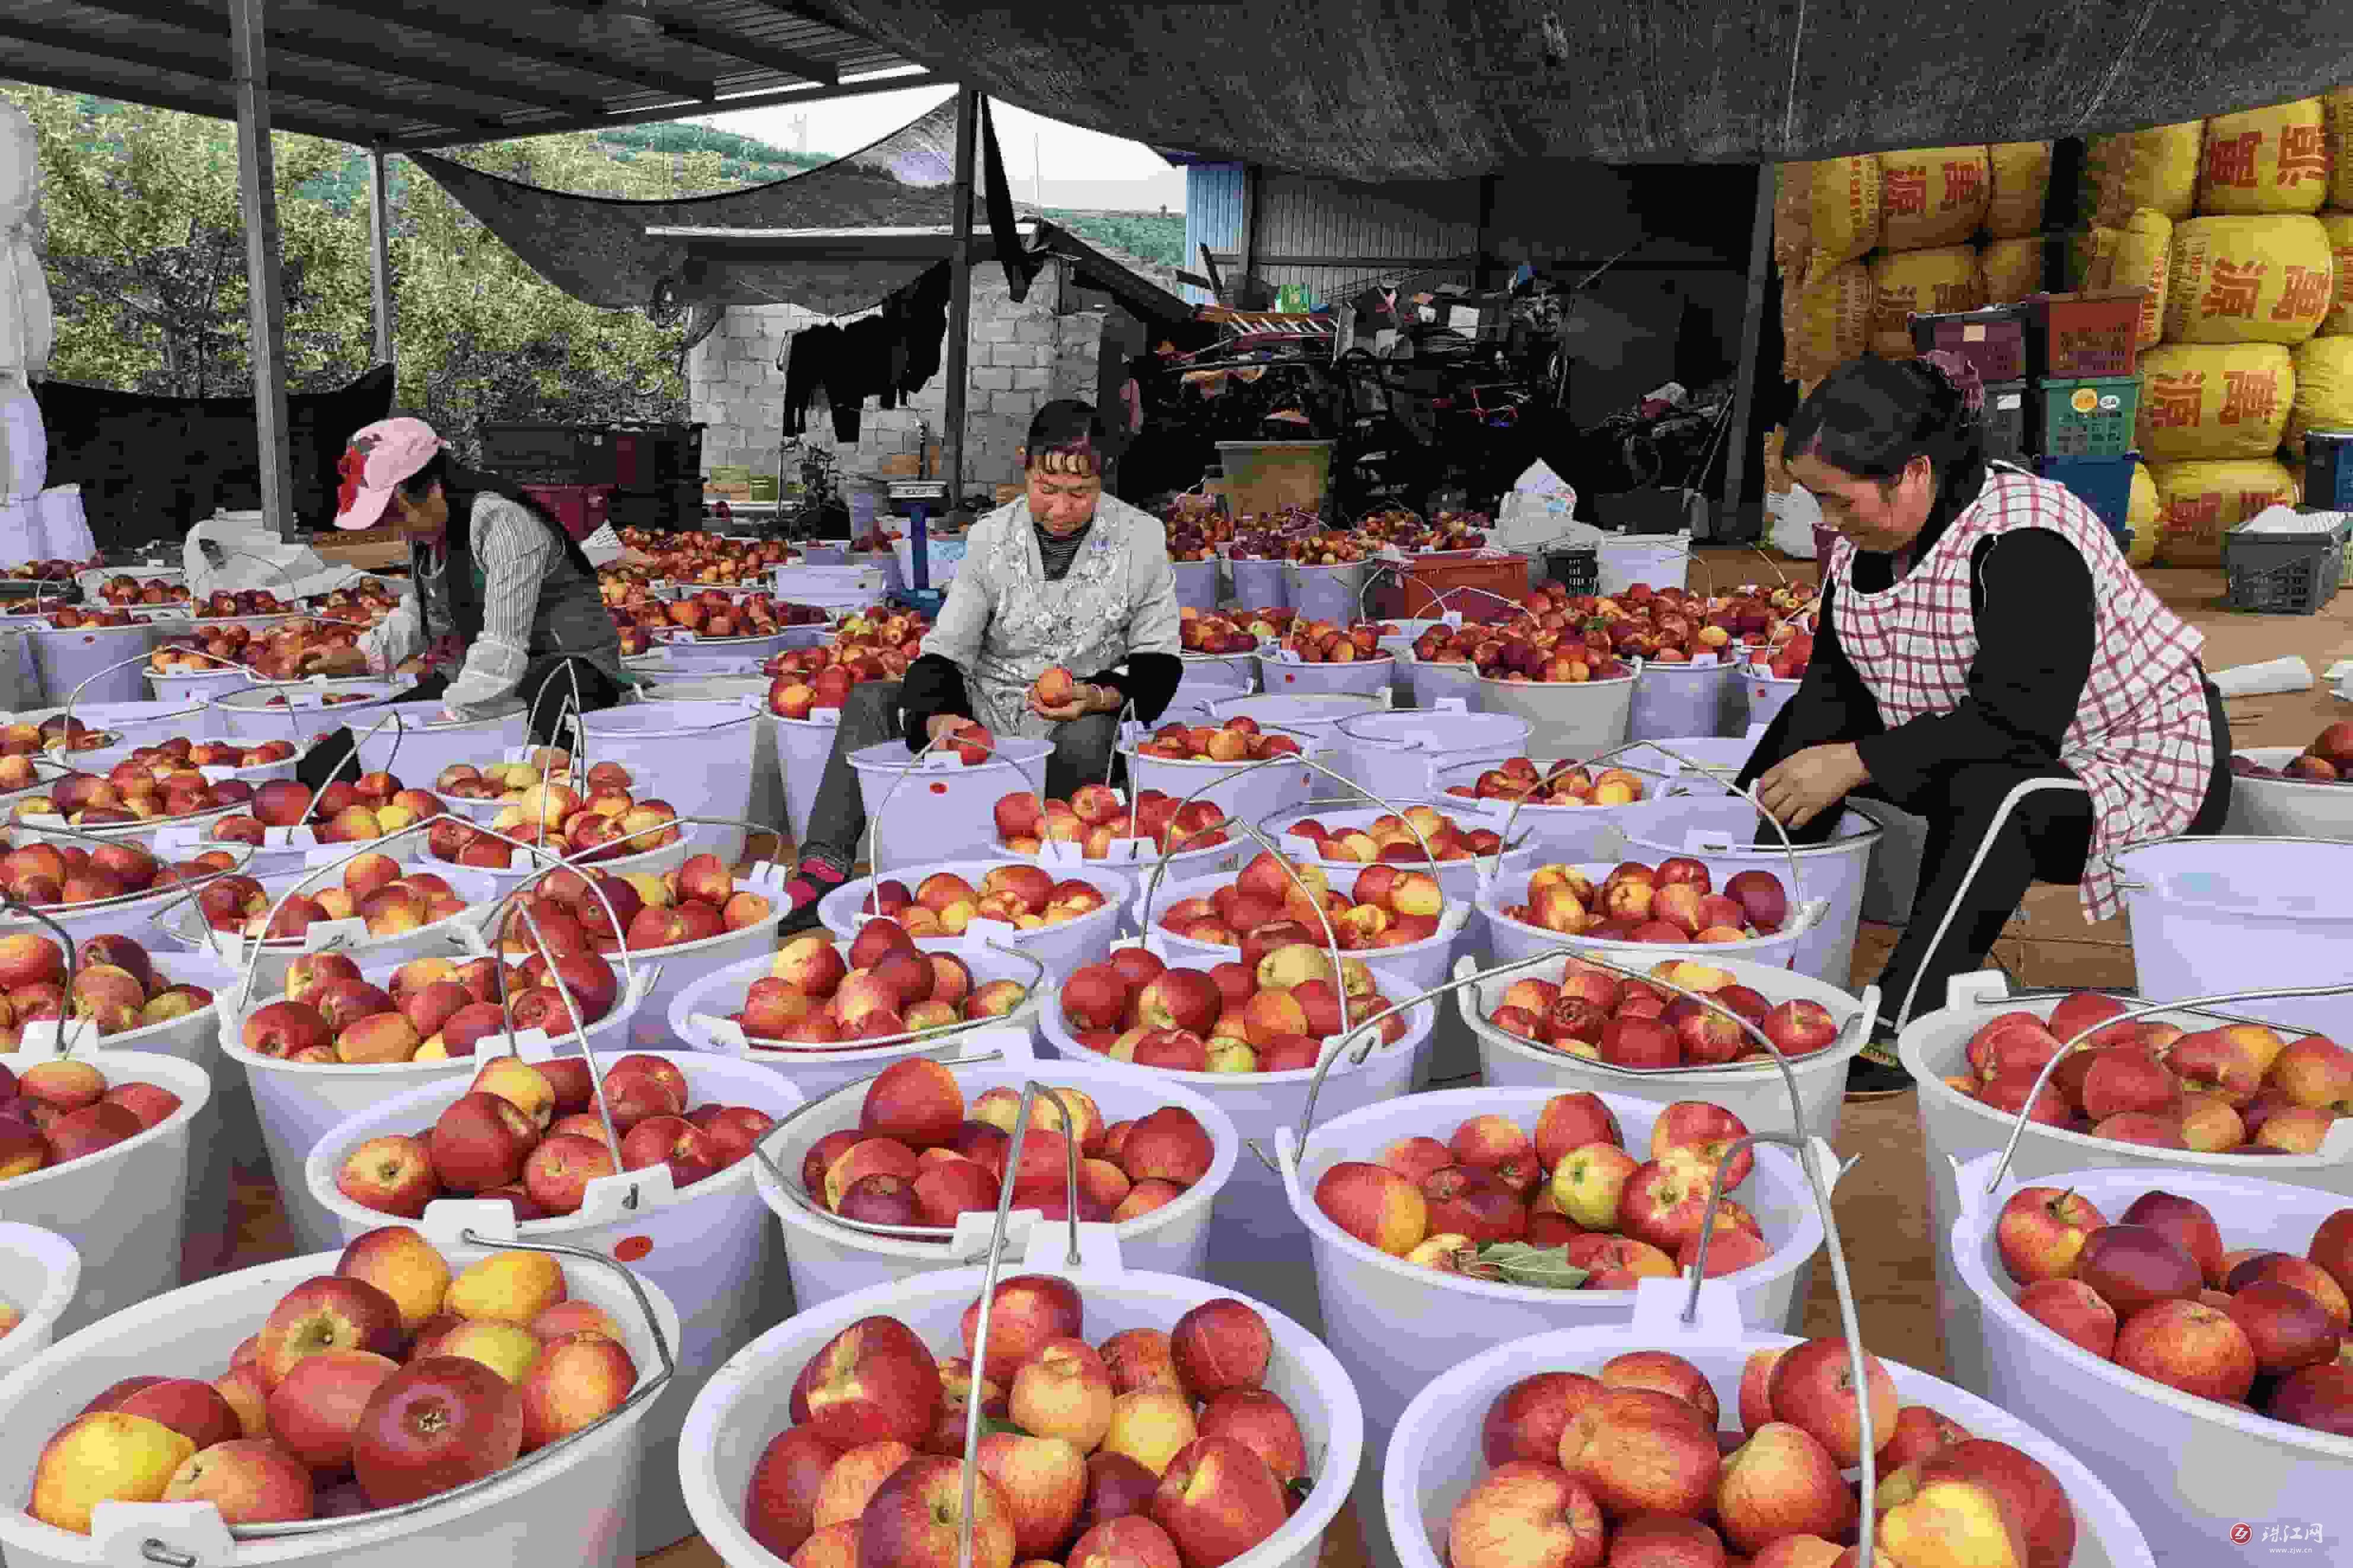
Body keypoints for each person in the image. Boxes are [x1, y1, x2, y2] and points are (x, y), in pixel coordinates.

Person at [1742, 353, 2231, 1098]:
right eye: (1818, 501)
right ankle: (1758, 960)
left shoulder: (2024, 542)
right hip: (1997, 742)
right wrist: (1742, 837)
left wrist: (1854, 761)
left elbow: (2016, 727)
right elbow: (1829, 697)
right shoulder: (1862, 551)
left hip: (2133, 765)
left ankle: (1906, 1015)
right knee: (1847, 757)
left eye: (1838, 500)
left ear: (1910, 472)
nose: (1827, 521)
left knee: (1998, 791)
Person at [780, 399, 1184, 928]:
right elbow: (947, 647)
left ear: (1103, 478)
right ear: (1026, 466)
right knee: (870, 702)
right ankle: (825, 865)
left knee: (1091, 735)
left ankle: (1057, 872)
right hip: (985, 714)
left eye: (1080, 493)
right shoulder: (991, 537)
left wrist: (1096, 695)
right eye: (1048, 489)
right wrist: (938, 716)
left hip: (1076, 718)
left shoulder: (1142, 539)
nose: (1061, 508)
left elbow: (1159, 659)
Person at [296, 416, 631, 784]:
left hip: (563, 673)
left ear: (433, 489)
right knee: (327, 768)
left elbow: (503, 642)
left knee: (519, 769)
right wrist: (365, 654)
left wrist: (449, 718)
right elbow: (424, 608)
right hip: (477, 679)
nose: (390, 528)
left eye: (393, 513)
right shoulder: (429, 533)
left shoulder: (504, 524)